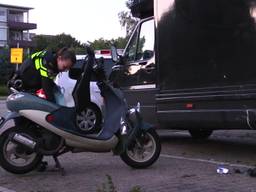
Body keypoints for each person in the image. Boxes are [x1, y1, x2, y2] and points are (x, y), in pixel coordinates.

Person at [8, 47, 76, 103]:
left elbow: (50, 84)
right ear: (59, 58)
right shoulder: (47, 62)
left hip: (30, 82)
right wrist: (55, 107)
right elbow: (47, 87)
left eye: (68, 68)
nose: (65, 70)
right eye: (65, 67)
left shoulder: (54, 62)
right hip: (25, 80)